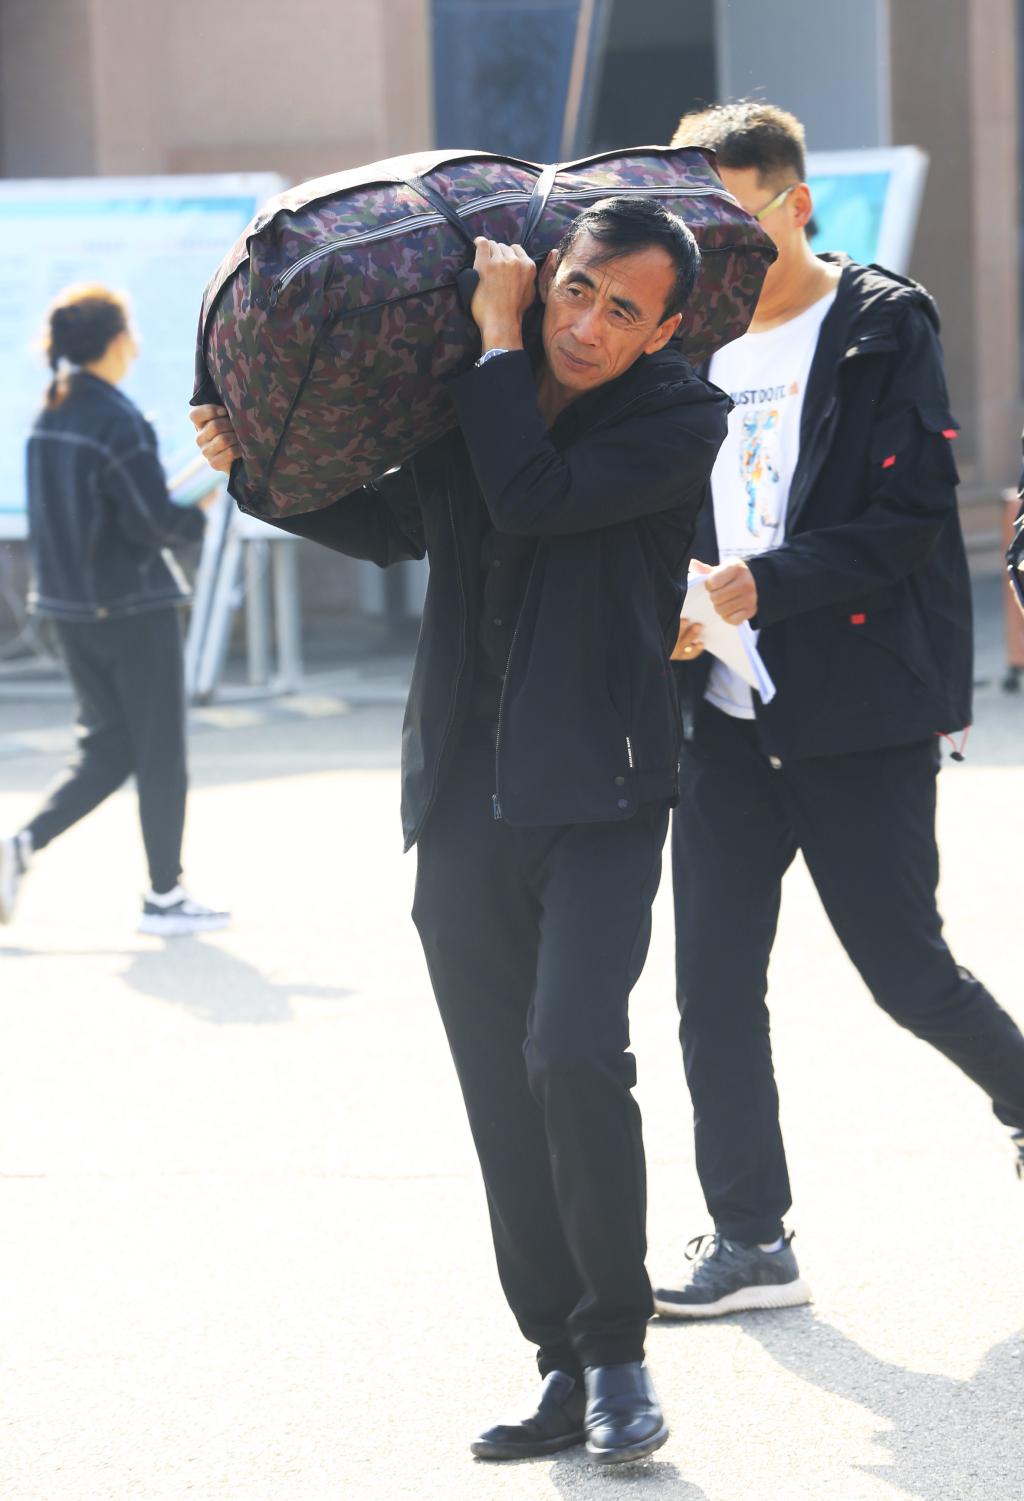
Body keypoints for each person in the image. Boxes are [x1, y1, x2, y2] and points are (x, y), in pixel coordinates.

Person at [193, 197, 729, 1463]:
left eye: (622, 311)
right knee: (500, 1089)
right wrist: (249, 473)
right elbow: (395, 527)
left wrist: (495, 345)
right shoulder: (472, 399)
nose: (587, 325)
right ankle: (561, 1362)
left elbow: (534, 497)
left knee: (573, 1055)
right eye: (577, 290)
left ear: (660, 333)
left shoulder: (676, 419)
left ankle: (619, 1352)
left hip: (599, 793)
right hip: (460, 797)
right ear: (549, 272)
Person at [653, 102, 1024, 1323]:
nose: (708, 252)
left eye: (730, 220)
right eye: (692, 230)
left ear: (794, 203)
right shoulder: (683, 346)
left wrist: (770, 581)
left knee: (906, 971)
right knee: (711, 984)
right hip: (721, 709)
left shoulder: (877, 325)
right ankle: (752, 1238)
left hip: (855, 707)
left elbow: (912, 514)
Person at [0, 285, 229, 937]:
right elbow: (152, 522)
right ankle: (165, 896)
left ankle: (21, 844)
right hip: (133, 608)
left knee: (107, 749)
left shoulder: (51, 411)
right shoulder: (118, 418)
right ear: (118, 340)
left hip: (69, 610)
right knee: (160, 753)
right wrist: (201, 505)